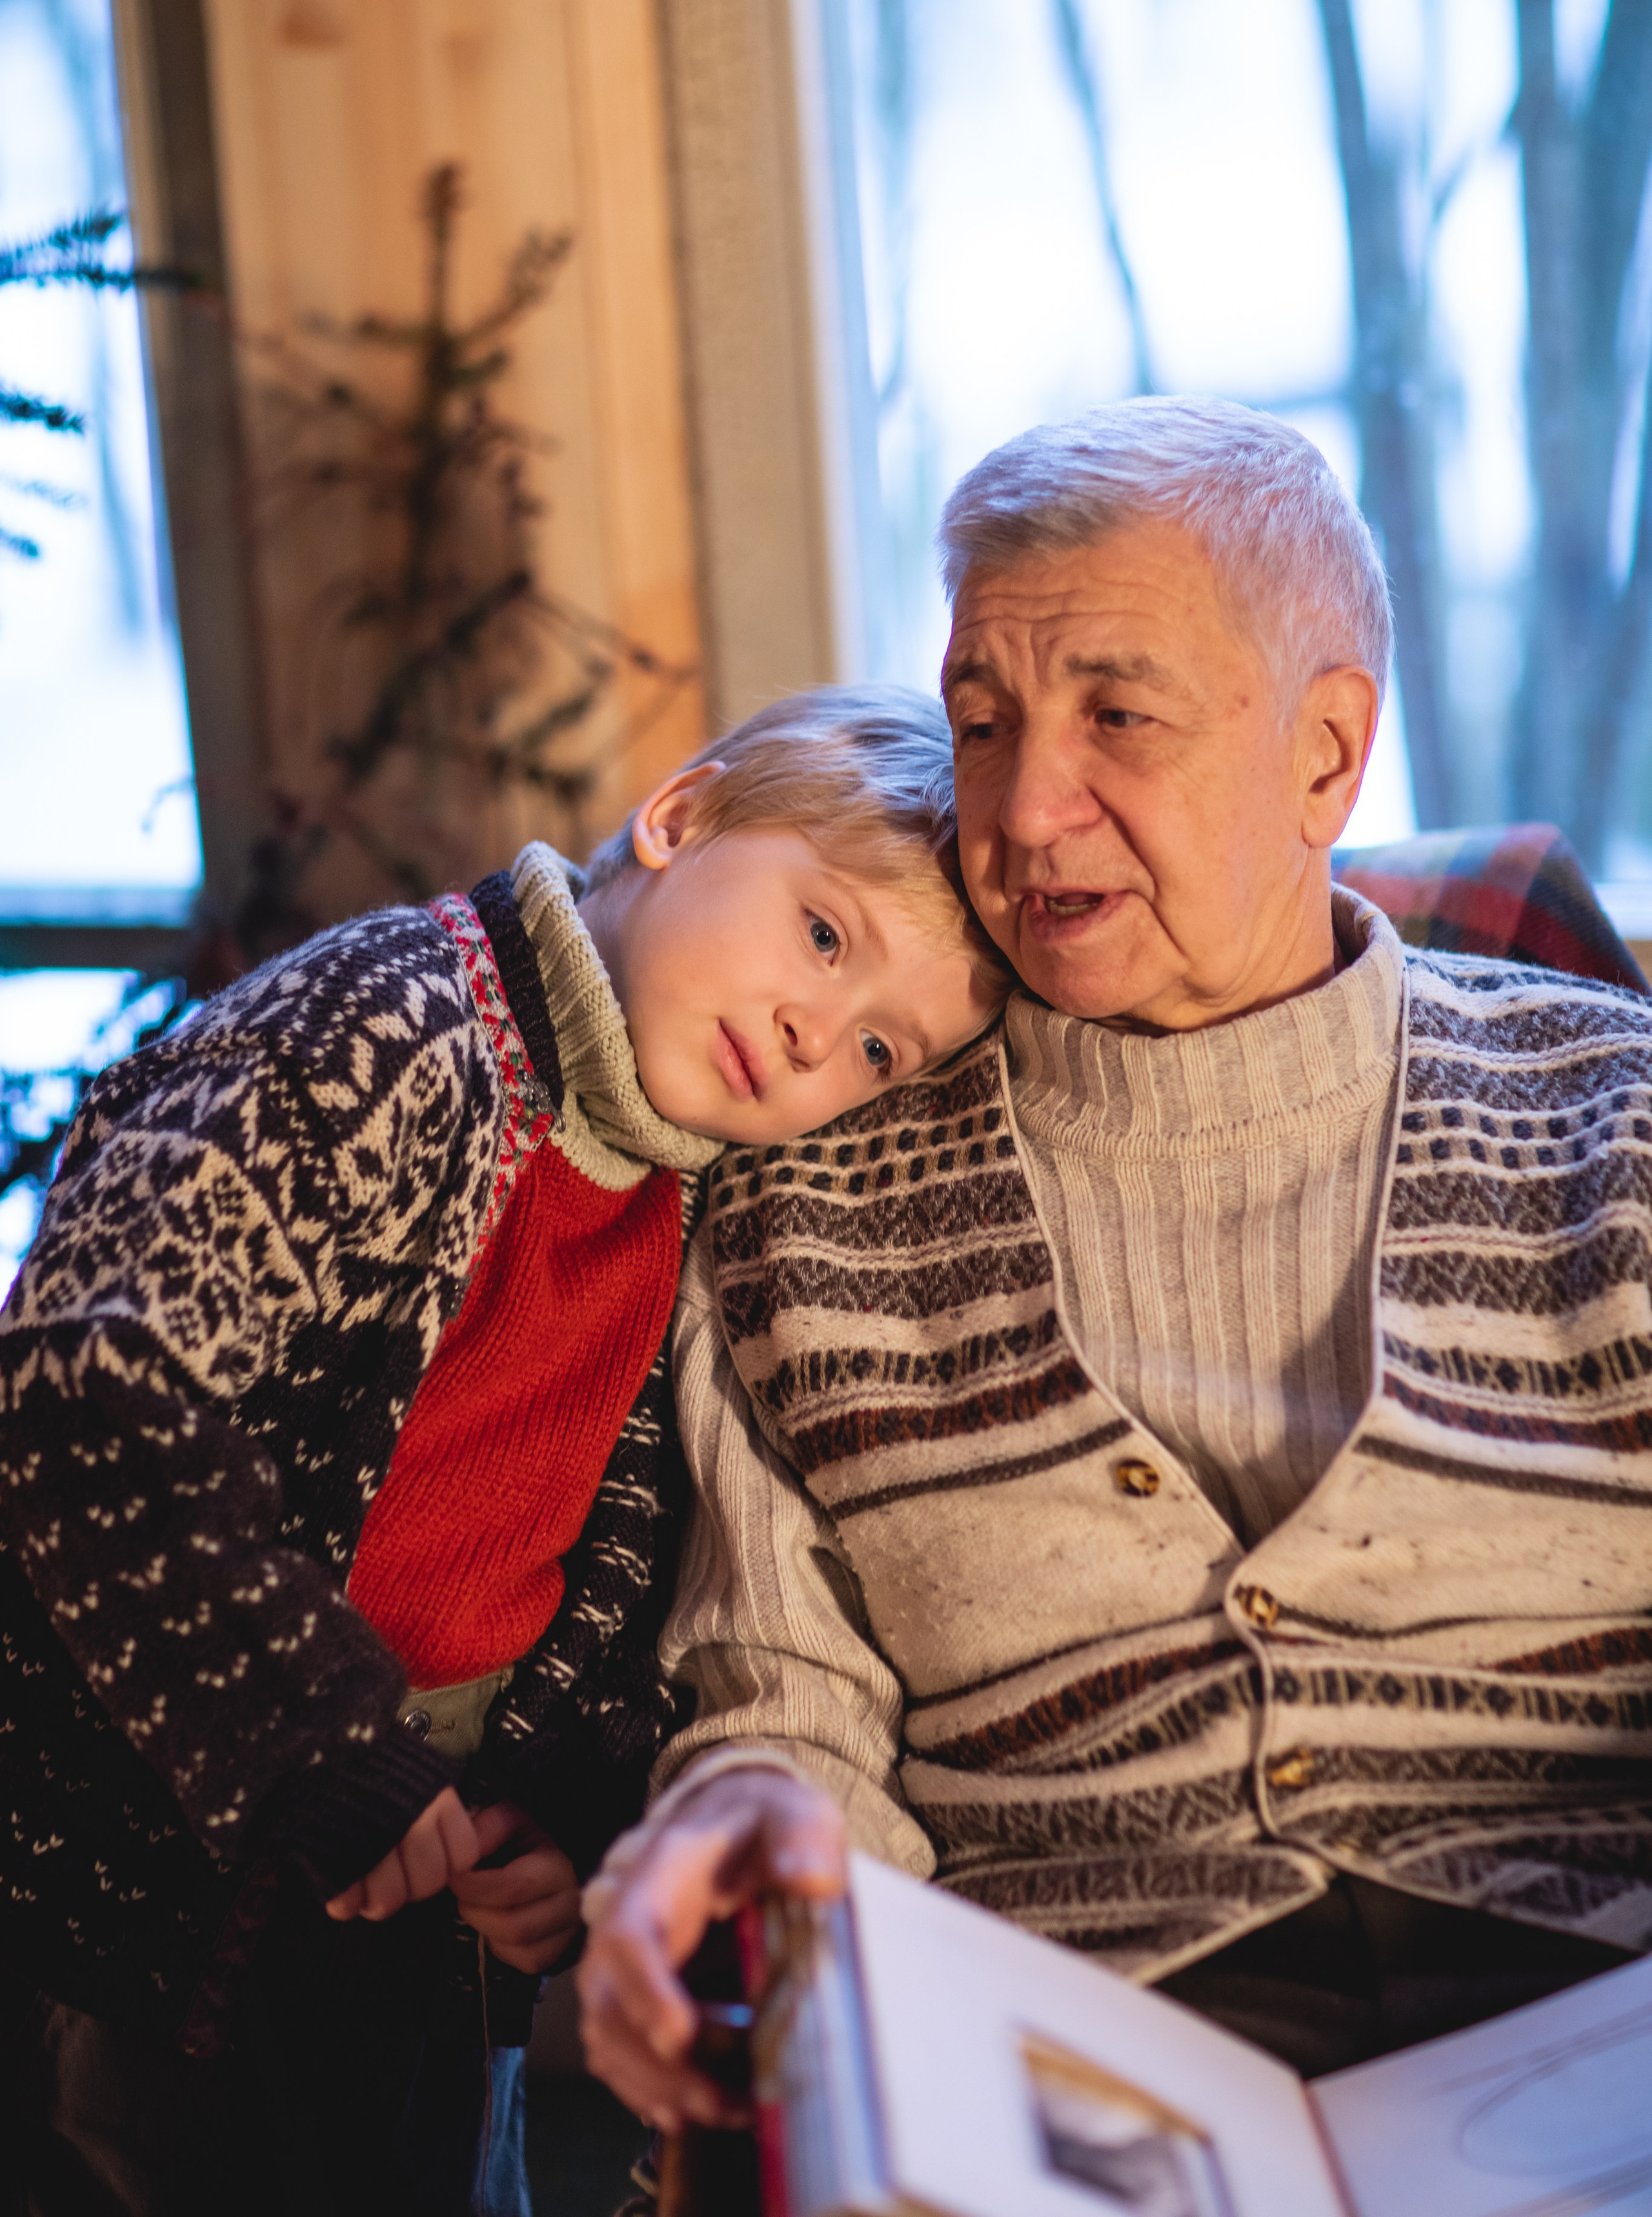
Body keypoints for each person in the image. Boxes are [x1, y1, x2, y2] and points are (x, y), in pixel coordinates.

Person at [579, 397, 1652, 2139]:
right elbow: (787, 1713)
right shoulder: (804, 1213)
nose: (1019, 809)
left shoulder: (1615, 1118)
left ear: (1325, 755)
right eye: (981, 722)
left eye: (1117, 720)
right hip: (1078, 2103)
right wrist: (736, 1825)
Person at [0, 685, 1007, 2217]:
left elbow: (607, 1551)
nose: (820, 1030)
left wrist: (565, 1802)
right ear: (678, 819)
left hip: (419, 1885)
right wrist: (321, 1745)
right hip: (157, 1846)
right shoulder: (392, 1031)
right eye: (820, 934)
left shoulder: (674, 1199)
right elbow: (90, 1388)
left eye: (878, 1048)